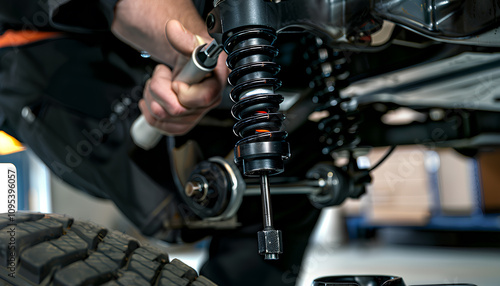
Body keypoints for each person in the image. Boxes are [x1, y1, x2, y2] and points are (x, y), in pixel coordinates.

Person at [0, 1, 320, 285]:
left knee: (299, 162)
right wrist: (194, 47)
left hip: (213, 47)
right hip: (46, 47)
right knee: (169, 187)